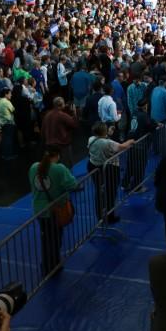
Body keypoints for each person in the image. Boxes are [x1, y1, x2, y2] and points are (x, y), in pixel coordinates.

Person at [29, 147, 80, 278]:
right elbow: (73, 185)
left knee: (46, 238)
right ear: (57, 155)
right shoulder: (60, 169)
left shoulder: (34, 167)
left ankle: (47, 264)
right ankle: (53, 265)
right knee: (55, 239)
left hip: (39, 210)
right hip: (54, 211)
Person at [87, 122, 134, 223]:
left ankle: (100, 215)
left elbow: (102, 139)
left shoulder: (91, 139)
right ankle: (109, 215)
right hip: (108, 169)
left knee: (99, 191)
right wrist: (130, 141)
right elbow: (122, 146)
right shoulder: (108, 143)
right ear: (104, 132)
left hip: (93, 166)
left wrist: (108, 134)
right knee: (110, 192)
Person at [41, 96, 78, 168]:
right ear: (61, 105)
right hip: (62, 145)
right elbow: (74, 124)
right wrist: (74, 113)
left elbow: (42, 131)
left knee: (53, 166)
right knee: (66, 166)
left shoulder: (47, 115)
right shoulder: (62, 115)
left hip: (49, 145)